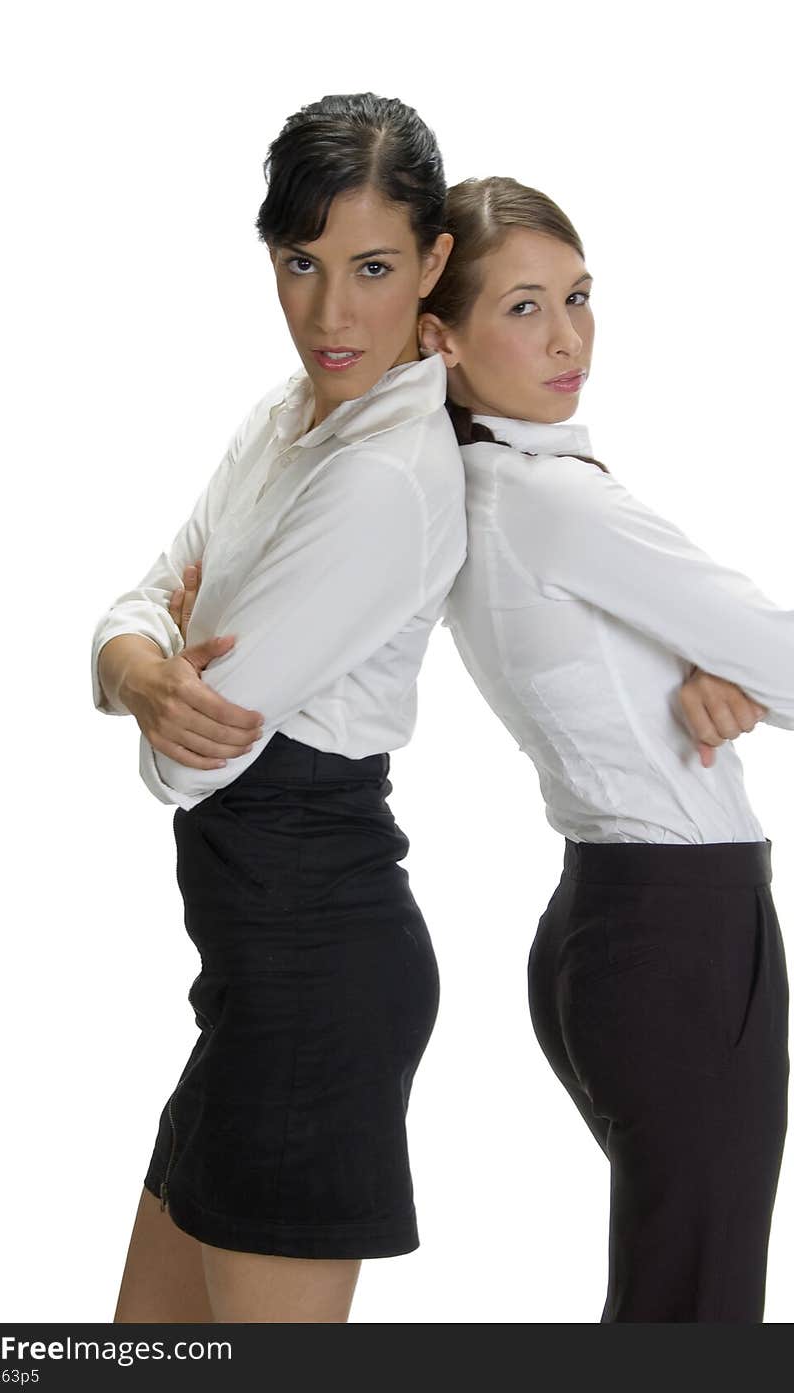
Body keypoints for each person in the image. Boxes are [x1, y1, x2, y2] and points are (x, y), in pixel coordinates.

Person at [90, 93, 463, 1324]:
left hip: (317, 973)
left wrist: (154, 680)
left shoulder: (388, 476)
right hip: (250, 981)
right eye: (299, 264)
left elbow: (189, 766)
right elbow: (136, 607)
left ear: (432, 264)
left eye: (370, 268)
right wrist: (145, 670)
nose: (328, 312)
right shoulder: (282, 417)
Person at [416, 175, 792, 1322]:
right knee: (694, 1315)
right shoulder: (554, 503)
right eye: (523, 307)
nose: (569, 336)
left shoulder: (474, 489)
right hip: (682, 932)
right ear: (440, 337)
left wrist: (725, 668)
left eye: (579, 296)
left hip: (606, 927)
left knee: (671, 1303)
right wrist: (742, 666)